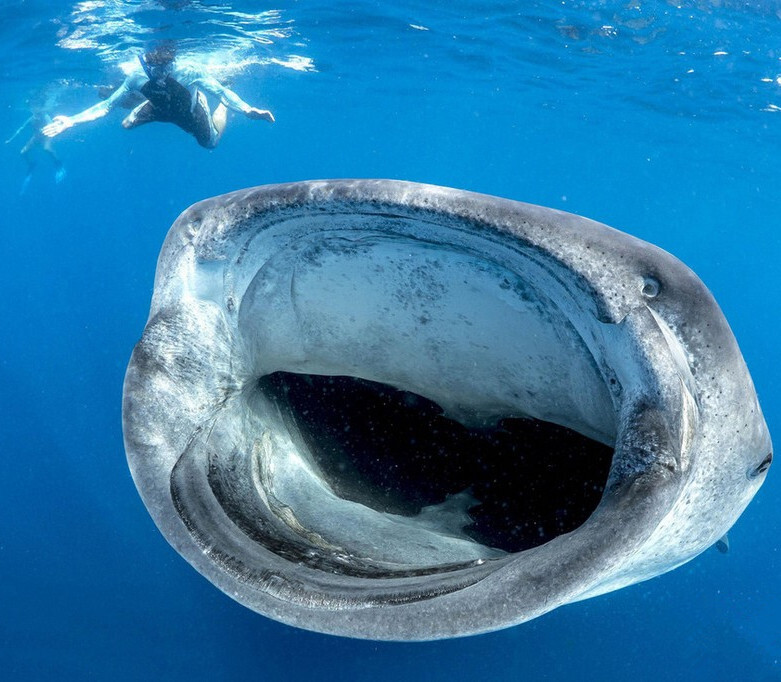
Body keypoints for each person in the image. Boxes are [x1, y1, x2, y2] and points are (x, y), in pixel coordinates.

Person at [42, 42, 274, 148]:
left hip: (189, 113)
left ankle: (214, 107)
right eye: (156, 70)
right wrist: (71, 120)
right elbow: (106, 107)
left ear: (174, 63)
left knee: (210, 144)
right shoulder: (136, 77)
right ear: (146, 65)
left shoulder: (190, 70)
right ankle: (141, 102)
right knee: (125, 125)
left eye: (167, 69)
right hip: (158, 109)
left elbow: (222, 91)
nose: (162, 75)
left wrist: (246, 110)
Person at [6, 108, 66, 194]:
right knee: (23, 152)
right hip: (36, 137)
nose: (35, 112)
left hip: (47, 135)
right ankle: (31, 164)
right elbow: (21, 129)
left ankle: (59, 164)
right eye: (34, 111)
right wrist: (10, 139)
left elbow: (52, 125)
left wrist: (46, 129)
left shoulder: (45, 116)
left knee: (47, 149)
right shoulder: (32, 118)